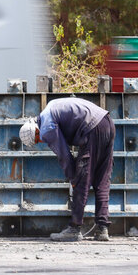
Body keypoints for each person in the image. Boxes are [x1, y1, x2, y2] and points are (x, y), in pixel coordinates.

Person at [19, 97, 115, 241]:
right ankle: (102, 229)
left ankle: (74, 229)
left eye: (38, 139)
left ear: (36, 131)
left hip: (92, 128)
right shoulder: (50, 110)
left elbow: (64, 154)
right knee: (102, 180)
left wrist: (73, 177)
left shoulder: (46, 126)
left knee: (81, 179)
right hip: (107, 123)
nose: (42, 141)